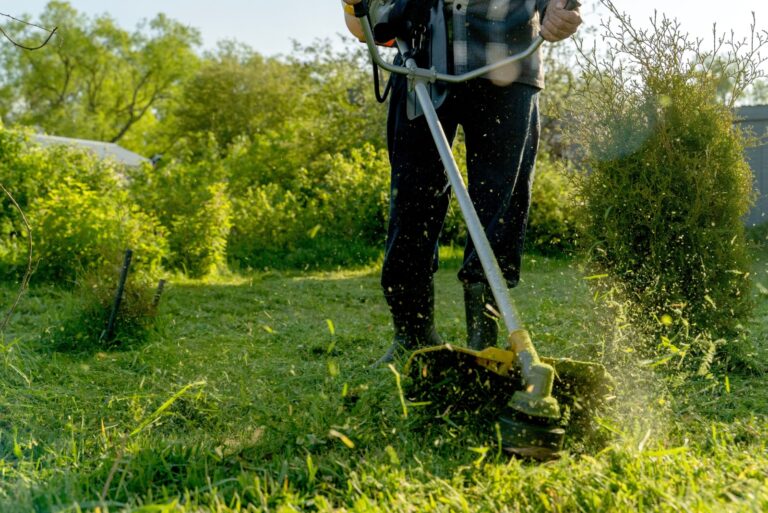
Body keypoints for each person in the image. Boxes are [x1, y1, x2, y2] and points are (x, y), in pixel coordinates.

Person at [342, 0, 582, 364]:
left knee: (499, 207)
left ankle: (484, 345)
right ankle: (412, 336)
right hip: (421, 66)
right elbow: (365, 25)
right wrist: (354, 6)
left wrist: (559, 8)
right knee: (412, 204)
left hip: (510, 64)